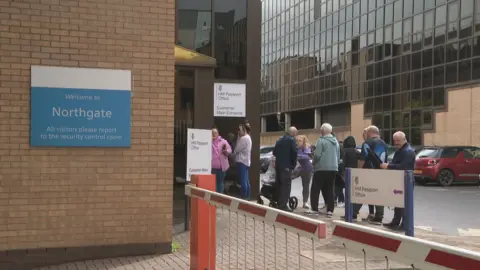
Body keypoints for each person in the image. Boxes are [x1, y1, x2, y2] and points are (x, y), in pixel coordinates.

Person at [380, 131, 416, 230]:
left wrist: (388, 166)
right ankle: (396, 222)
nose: (396, 143)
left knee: (404, 203)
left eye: (398, 141)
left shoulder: (408, 151)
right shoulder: (401, 150)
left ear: (405, 139)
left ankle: (404, 225)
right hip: (399, 180)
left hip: (406, 181)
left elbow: (404, 166)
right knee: (398, 202)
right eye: (395, 140)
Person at [353, 125, 388, 224]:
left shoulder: (367, 143)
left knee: (362, 192)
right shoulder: (384, 144)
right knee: (378, 194)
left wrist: (358, 171)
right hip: (380, 173)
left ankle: (353, 212)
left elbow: (362, 159)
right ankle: (379, 216)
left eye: (366, 133)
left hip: (368, 172)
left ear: (369, 133)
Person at [310, 123, 340, 217]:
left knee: (315, 188)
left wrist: (313, 162)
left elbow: (317, 155)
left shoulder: (321, 141)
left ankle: (314, 209)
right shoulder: (336, 141)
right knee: (330, 189)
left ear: (322, 131)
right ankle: (330, 210)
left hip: (321, 168)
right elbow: (338, 156)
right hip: (333, 168)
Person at [272, 126, 298, 211]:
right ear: (293, 133)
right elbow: (294, 153)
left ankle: (279, 202)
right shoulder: (291, 140)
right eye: (296, 133)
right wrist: (293, 165)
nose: (296, 135)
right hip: (287, 167)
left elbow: (274, 152)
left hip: (279, 167)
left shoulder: (279, 140)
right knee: (286, 186)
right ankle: (283, 205)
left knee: (279, 185)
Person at [335, 136, 358, 207]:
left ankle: (339, 200)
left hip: (344, 173)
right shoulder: (357, 151)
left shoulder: (344, 151)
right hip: (355, 173)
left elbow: (342, 163)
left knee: (337, 186)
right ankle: (349, 203)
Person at [233, 124, 252, 200]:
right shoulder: (248, 138)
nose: (238, 132)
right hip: (246, 161)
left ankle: (243, 196)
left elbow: (237, 149)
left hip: (241, 161)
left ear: (244, 130)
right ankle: (247, 196)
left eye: (240, 130)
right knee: (246, 180)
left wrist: (238, 138)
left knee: (243, 180)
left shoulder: (243, 138)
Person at [211, 128, 232, 193]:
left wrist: (226, 151)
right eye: (212, 133)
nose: (214, 134)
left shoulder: (223, 141)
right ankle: (214, 196)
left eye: (215, 133)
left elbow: (229, 150)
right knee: (213, 183)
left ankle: (219, 197)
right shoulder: (208, 141)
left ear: (218, 134)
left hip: (222, 167)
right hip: (212, 167)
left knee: (220, 182)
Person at [295, 135, 313, 209]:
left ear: (303, 141)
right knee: (288, 180)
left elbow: (308, 156)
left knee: (306, 185)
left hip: (307, 168)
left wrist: (298, 156)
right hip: (298, 168)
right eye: (297, 141)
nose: (298, 142)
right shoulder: (295, 148)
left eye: (300, 141)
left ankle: (305, 202)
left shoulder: (307, 147)